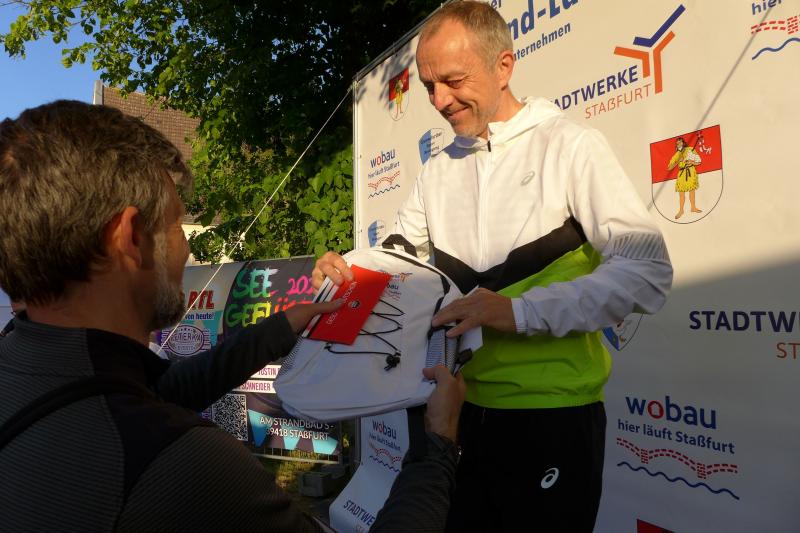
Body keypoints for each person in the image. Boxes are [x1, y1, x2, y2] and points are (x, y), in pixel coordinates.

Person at [0, 100, 464, 532]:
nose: (186, 247)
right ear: (132, 238)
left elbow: (164, 388)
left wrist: (284, 326)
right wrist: (436, 447)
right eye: (177, 224)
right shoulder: (181, 467)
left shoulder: (28, 367)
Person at [313, 2, 673, 531]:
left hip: (551, 416)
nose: (439, 100)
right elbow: (394, 262)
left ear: (503, 66)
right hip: (452, 414)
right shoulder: (437, 171)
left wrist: (517, 312)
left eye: (453, 81)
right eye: (428, 85)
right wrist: (345, 269)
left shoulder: (569, 146)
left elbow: (647, 272)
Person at [668, 136, 702, 219]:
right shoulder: (677, 154)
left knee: (692, 191)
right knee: (681, 194)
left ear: (683, 143)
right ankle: (681, 210)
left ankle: (693, 207)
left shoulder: (690, 149)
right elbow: (669, 168)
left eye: (680, 142)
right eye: (677, 143)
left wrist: (692, 162)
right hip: (682, 174)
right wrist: (678, 161)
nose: (678, 144)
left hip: (690, 171)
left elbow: (699, 161)